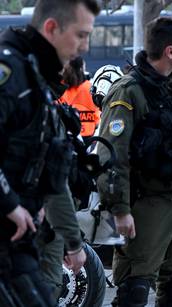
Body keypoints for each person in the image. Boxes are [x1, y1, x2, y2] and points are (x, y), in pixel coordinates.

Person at [96, 17, 172, 307]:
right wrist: (120, 209)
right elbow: (112, 154)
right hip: (146, 206)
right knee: (135, 288)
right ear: (170, 52)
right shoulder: (129, 91)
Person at [0, 0, 99, 305]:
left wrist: (73, 242)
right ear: (51, 28)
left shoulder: (37, 78)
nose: (84, 46)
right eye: (80, 35)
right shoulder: (10, 72)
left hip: (18, 241)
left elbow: (50, 172)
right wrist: (9, 203)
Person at [59, 56, 100, 139]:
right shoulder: (90, 87)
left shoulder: (60, 87)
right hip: (88, 133)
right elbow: (97, 113)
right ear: (82, 67)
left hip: (66, 134)